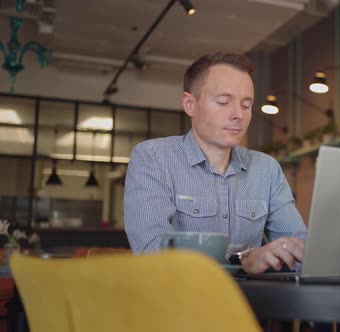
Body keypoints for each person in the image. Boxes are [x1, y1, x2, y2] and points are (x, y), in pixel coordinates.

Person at [124, 52, 307, 274]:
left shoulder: (266, 169)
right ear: (190, 104)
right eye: (223, 102)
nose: (238, 114)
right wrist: (243, 257)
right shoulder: (153, 158)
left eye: (246, 105)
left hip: (255, 304)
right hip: (182, 302)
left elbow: (301, 251)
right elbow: (152, 250)